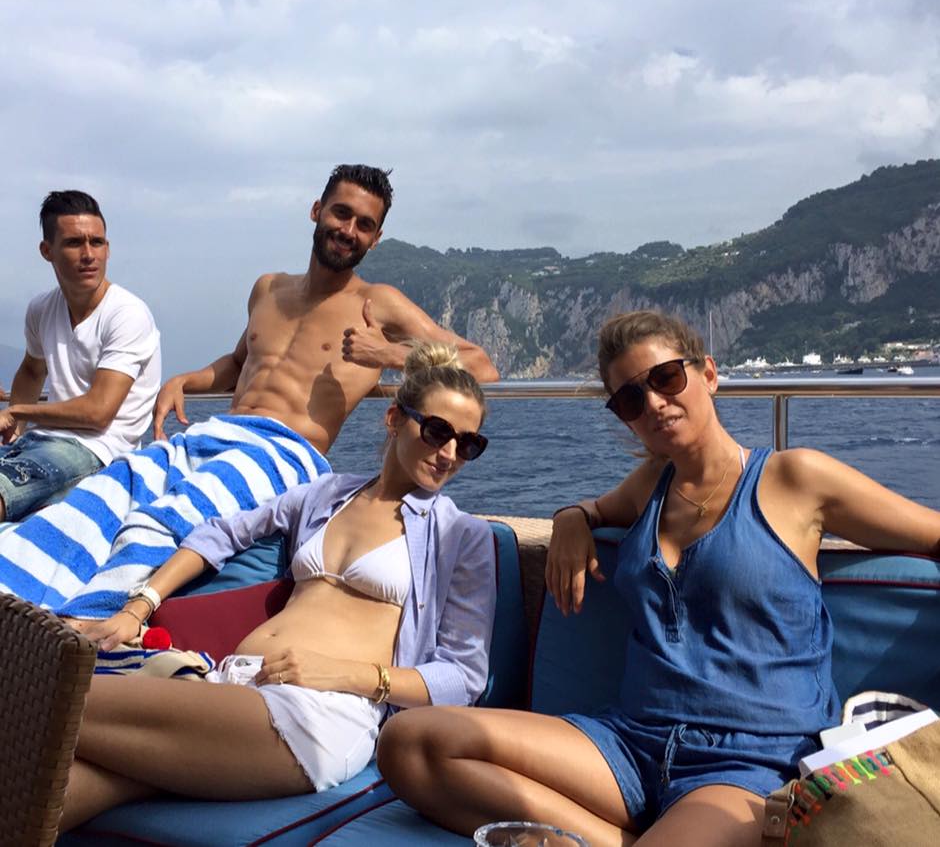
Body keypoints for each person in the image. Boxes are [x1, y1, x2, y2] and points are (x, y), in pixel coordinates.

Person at [376, 310, 940, 847]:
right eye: (630, 398)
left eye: (666, 378)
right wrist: (572, 519)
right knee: (410, 743)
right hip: (630, 741)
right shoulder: (651, 484)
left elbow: (932, 533)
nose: (653, 403)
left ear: (708, 374)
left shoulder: (795, 479)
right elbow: (595, 508)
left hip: (747, 761)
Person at [0, 164, 497, 619]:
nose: (349, 230)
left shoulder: (378, 303)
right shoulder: (268, 288)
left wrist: (388, 354)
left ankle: (83, 626)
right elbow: (239, 363)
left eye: (364, 224)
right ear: (317, 210)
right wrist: (185, 380)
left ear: (376, 237)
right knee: (106, 491)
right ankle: (14, 600)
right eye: (341, 213)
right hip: (215, 433)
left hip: (284, 452)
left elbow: (481, 364)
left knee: (166, 518)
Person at [57, 342, 497, 832]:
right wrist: (138, 607)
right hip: (235, 683)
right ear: (394, 418)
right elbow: (222, 533)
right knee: (50, 787)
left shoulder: (460, 535)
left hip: (319, 713)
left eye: (468, 444)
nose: (449, 454)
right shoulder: (327, 494)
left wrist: (344, 673)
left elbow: (462, 677)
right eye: (437, 431)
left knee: (54, 698)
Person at [0, 190, 160, 522]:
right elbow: (32, 370)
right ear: (47, 251)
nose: (89, 254)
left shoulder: (127, 313)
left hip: (97, 450)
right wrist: (16, 430)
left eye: (97, 242)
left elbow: (97, 413)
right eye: (74, 243)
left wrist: (16, 412)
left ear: (107, 248)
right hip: (40, 440)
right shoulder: (41, 309)